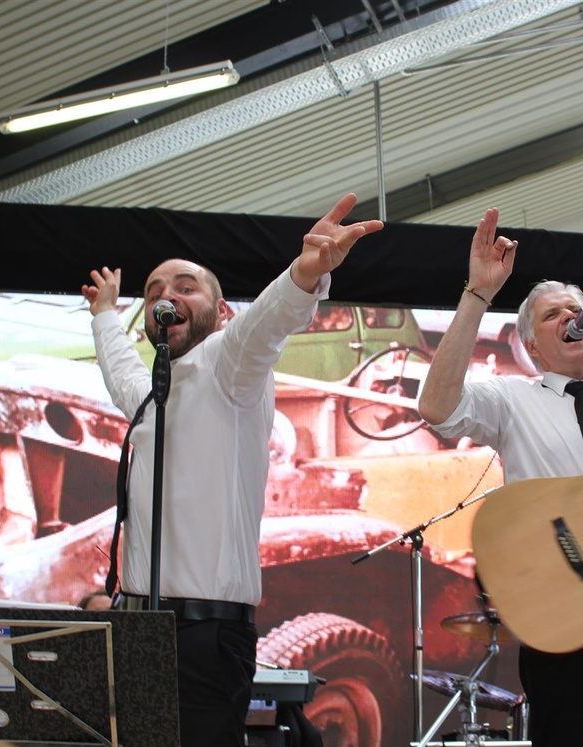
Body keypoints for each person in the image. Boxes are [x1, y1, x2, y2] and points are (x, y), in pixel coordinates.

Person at [80, 192, 383, 747]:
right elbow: (123, 375)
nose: (165, 297)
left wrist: (304, 274)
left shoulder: (230, 363)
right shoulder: (155, 393)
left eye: (184, 287)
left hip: (204, 634)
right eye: (153, 293)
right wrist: (103, 315)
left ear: (222, 313)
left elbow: (267, 323)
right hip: (139, 628)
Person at [416, 206, 583, 746]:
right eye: (552, 314)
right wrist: (478, 293)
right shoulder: (513, 398)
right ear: (530, 345)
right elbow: (437, 407)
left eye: (577, 311)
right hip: (563, 606)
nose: (570, 318)